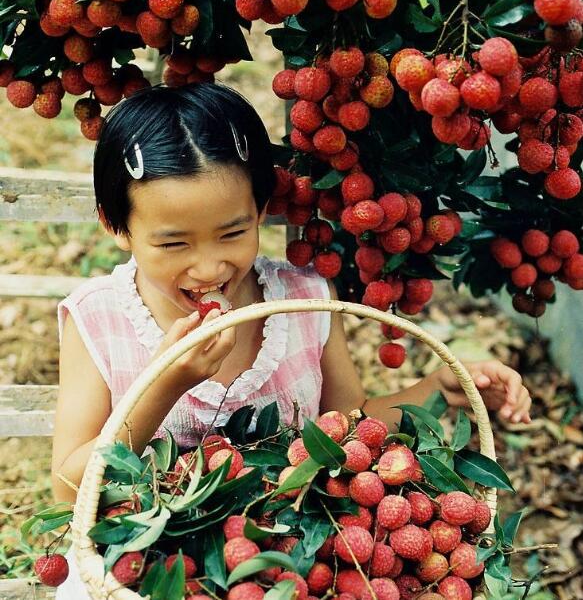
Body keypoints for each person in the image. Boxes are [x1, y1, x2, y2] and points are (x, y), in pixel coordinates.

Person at [51, 82, 531, 597]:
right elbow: (70, 489)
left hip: (295, 559)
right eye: (173, 243)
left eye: (232, 234)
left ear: (260, 210)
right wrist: (163, 387)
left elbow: (348, 425)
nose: (210, 266)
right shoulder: (99, 318)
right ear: (116, 226)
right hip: (147, 568)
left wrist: (439, 388)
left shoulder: (304, 300)